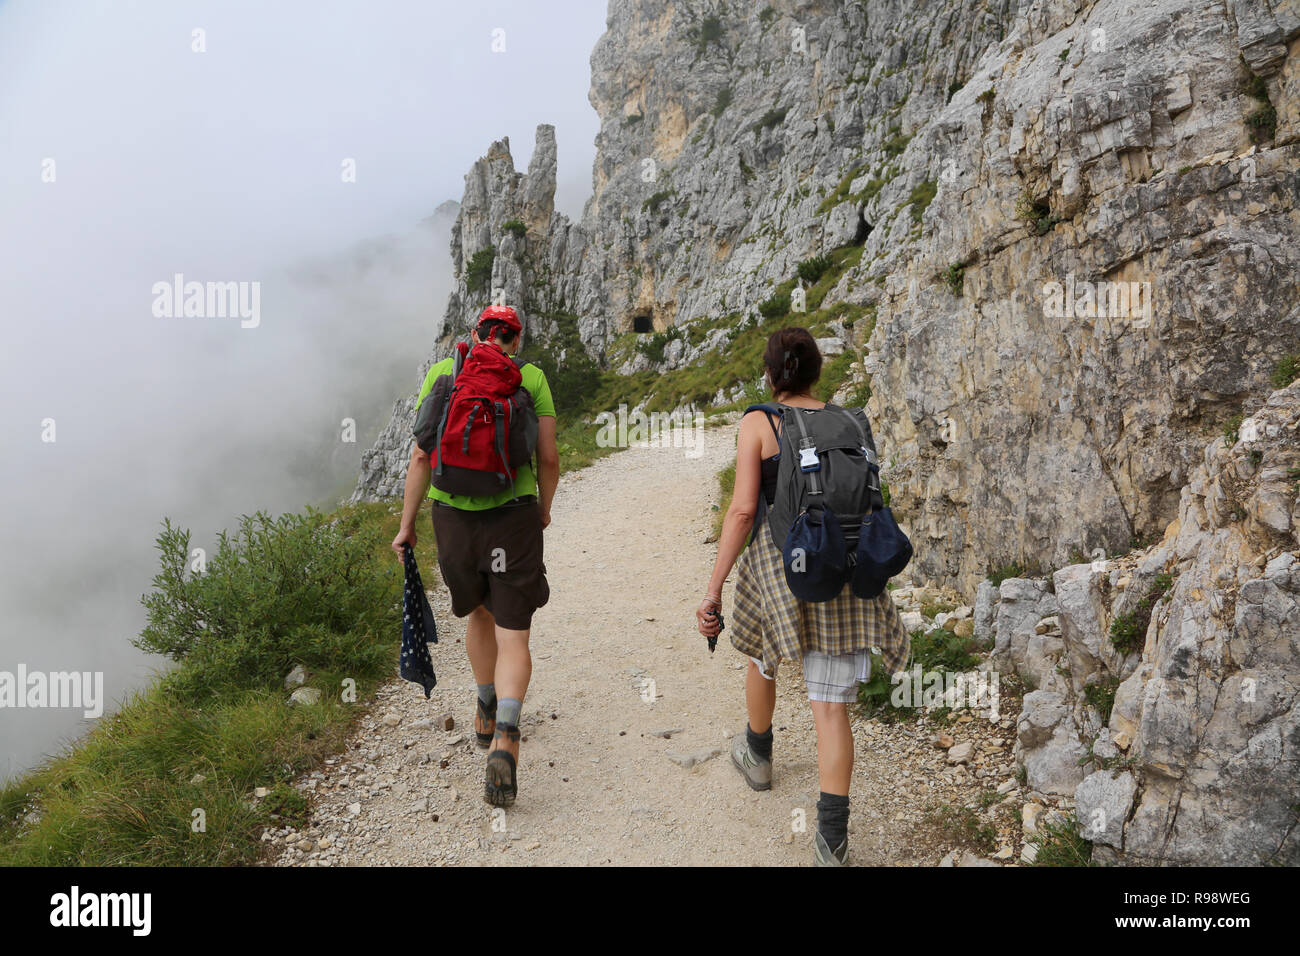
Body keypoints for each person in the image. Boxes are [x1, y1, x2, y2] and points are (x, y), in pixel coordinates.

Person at [696, 326, 909, 866]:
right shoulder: (851, 420)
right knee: (830, 707)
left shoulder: (758, 422)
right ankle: (831, 843)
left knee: (761, 656)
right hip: (848, 563)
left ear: (771, 375)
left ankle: (759, 755)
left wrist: (713, 588)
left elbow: (744, 511)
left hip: (782, 565)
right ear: (817, 372)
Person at [392, 304, 559, 808]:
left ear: (476, 333)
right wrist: (543, 511)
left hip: (454, 523)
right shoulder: (531, 377)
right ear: (515, 339)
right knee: (515, 631)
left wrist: (405, 528)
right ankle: (507, 734)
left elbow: (422, 455)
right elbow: (548, 458)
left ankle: (485, 708)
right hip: (514, 516)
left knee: (478, 613)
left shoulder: (445, 372)